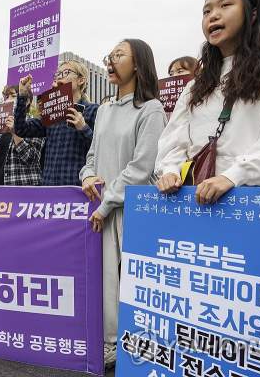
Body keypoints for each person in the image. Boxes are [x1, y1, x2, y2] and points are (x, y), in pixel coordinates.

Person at [155, 0, 260, 208]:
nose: (213, 15)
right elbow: (174, 139)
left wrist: (232, 176)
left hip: (253, 202)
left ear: (252, 13)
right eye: (207, 11)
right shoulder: (195, 85)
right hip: (196, 200)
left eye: (225, 5)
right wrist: (169, 170)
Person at [80, 39, 166, 368]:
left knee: (122, 281)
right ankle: (106, 341)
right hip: (101, 208)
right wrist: (86, 176)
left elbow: (142, 168)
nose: (111, 61)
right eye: (110, 55)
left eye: (119, 55)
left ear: (139, 65)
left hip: (127, 211)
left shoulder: (151, 109)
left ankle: (116, 345)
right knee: (100, 279)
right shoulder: (103, 110)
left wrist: (106, 203)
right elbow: (91, 157)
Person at [14, 60, 99, 186]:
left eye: (66, 73)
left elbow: (100, 151)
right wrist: (22, 95)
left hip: (77, 189)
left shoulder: (93, 110)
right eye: (58, 75)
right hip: (50, 190)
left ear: (81, 80)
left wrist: (83, 128)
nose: (60, 77)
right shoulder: (52, 112)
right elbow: (21, 129)